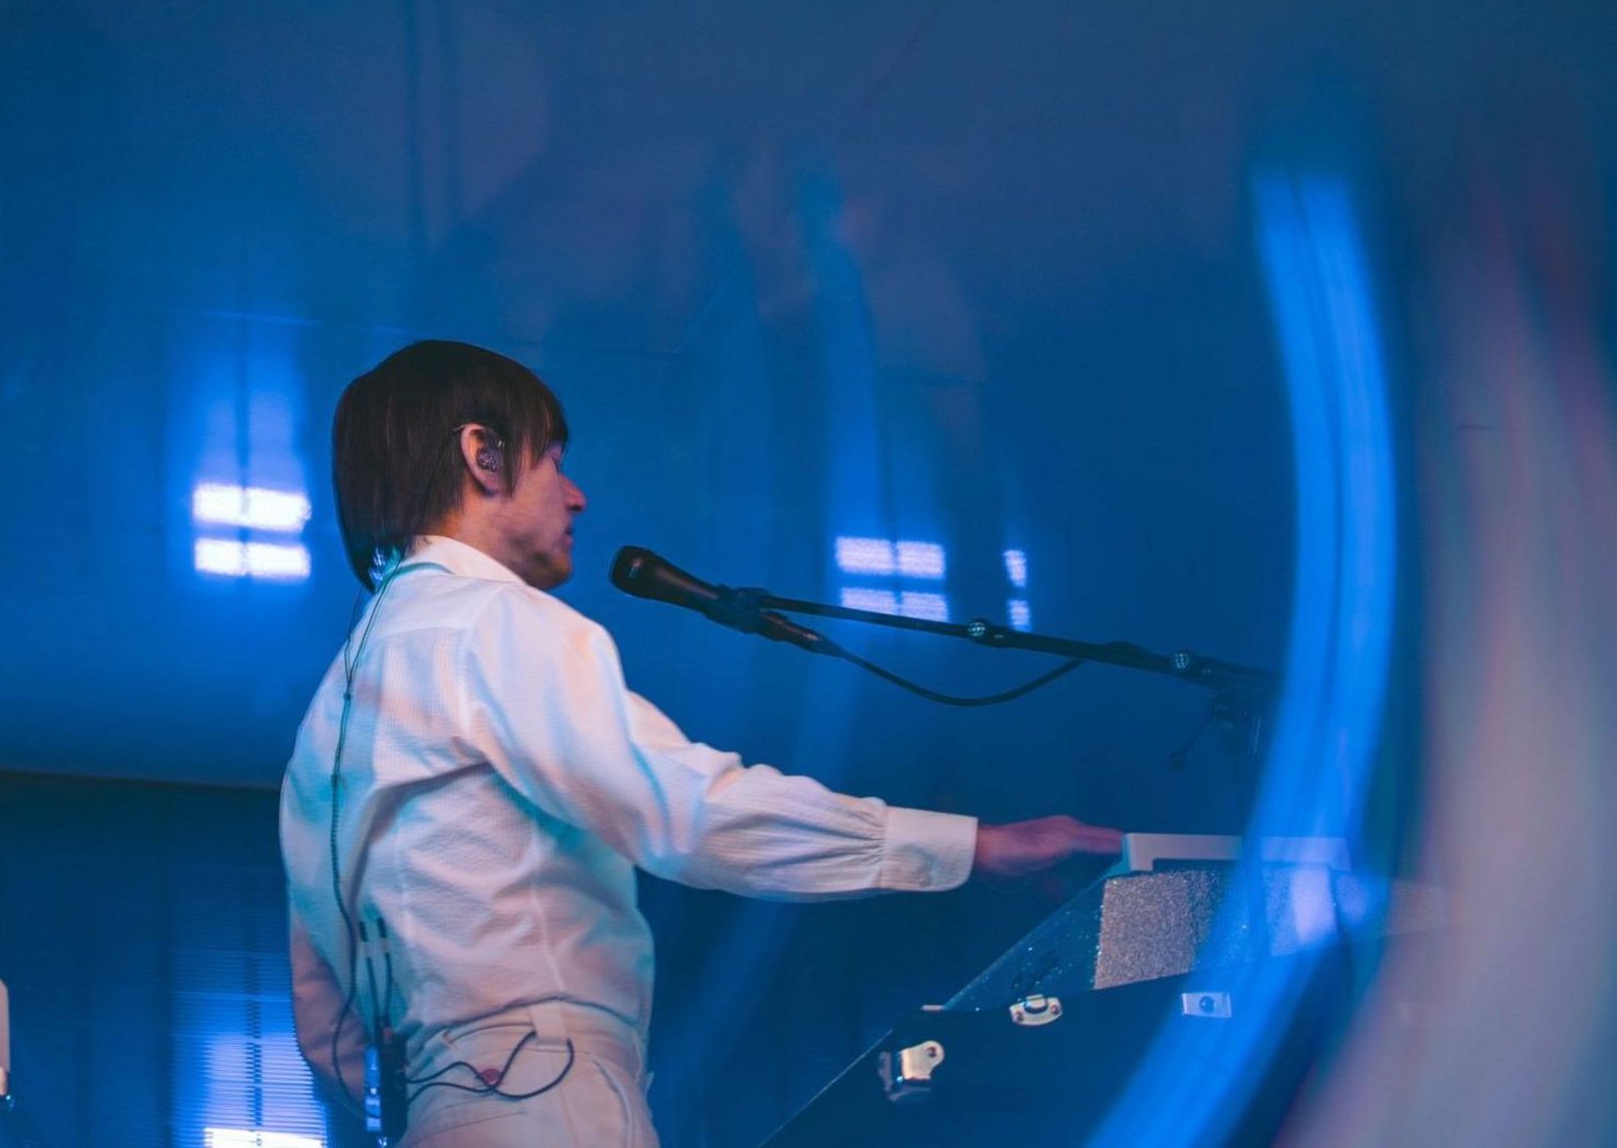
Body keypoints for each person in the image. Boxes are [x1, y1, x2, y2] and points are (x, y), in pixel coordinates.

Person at [280, 339, 1122, 1147]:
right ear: (484, 457)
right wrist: (972, 846)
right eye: (555, 461)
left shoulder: (328, 717)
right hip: (551, 1095)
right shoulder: (493, 620)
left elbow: (325, 1023)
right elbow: (687, 811)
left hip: (434, 1112)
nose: (577, 497)